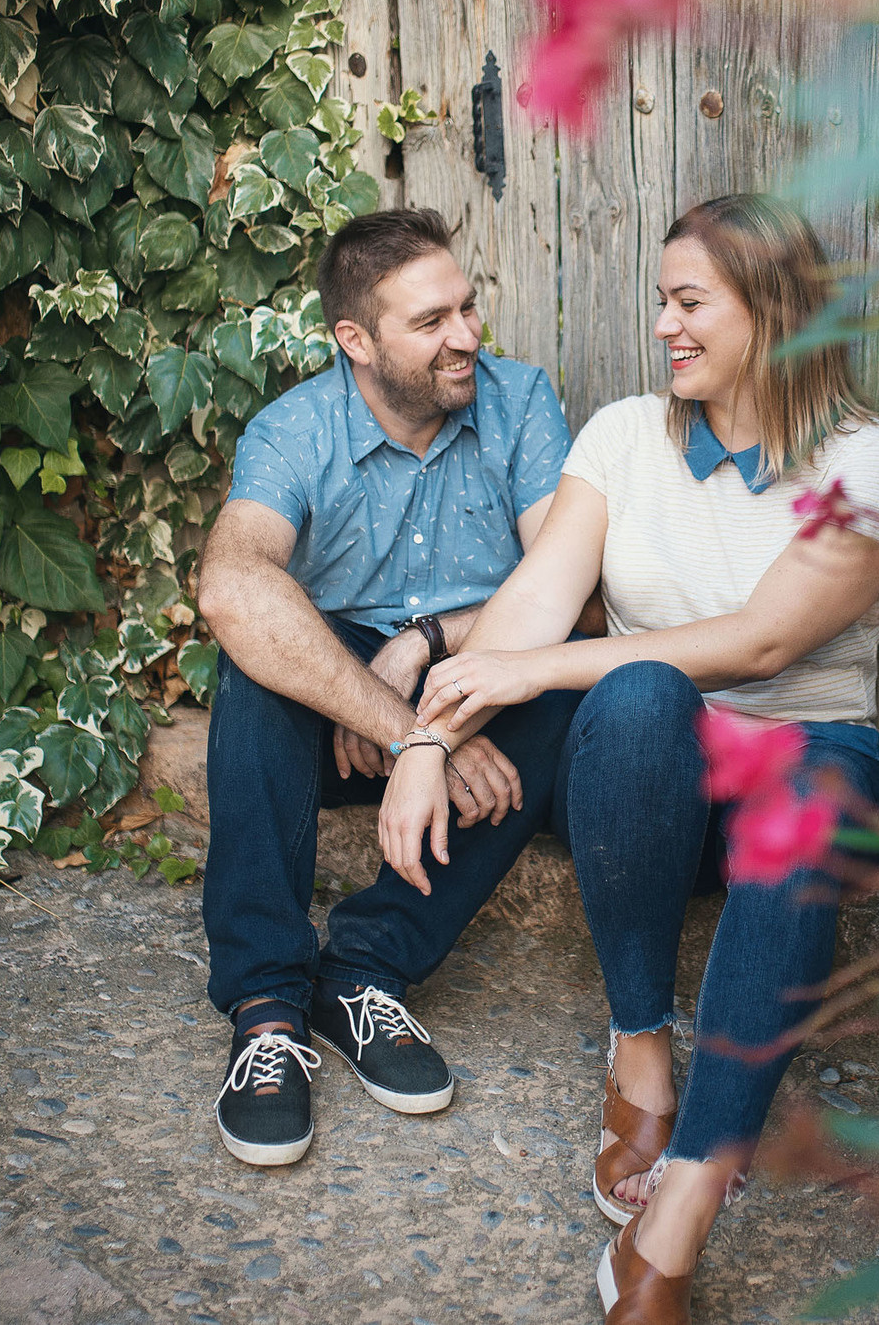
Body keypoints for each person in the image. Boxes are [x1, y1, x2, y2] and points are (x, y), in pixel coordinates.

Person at [412, 194, 879, 1323]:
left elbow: (765, 643)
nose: (662, 326)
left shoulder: (875, 465)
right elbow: (536, 598)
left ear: (773, 312)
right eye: (661, 300)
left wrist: (540, 671)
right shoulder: (622, 437)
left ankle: (684, 1204)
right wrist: (426, 738)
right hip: (653, 792)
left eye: (689, 302)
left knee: (798, 786)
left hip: (807, 768)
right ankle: (639, 1044)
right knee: (642, 691)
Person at [195, 206, 580, 1168]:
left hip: (473, 682)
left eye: (468, 308)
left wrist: (426, 651)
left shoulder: (521, 402)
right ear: (355, 341)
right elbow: (232, 586)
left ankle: (364, 972)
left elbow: (570, 589)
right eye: (431, 322)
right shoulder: (294, 430)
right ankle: (267, 1009)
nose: (467, 337)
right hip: (340, 720)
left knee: (566, 678)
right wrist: (411, 733)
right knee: (257, 653)